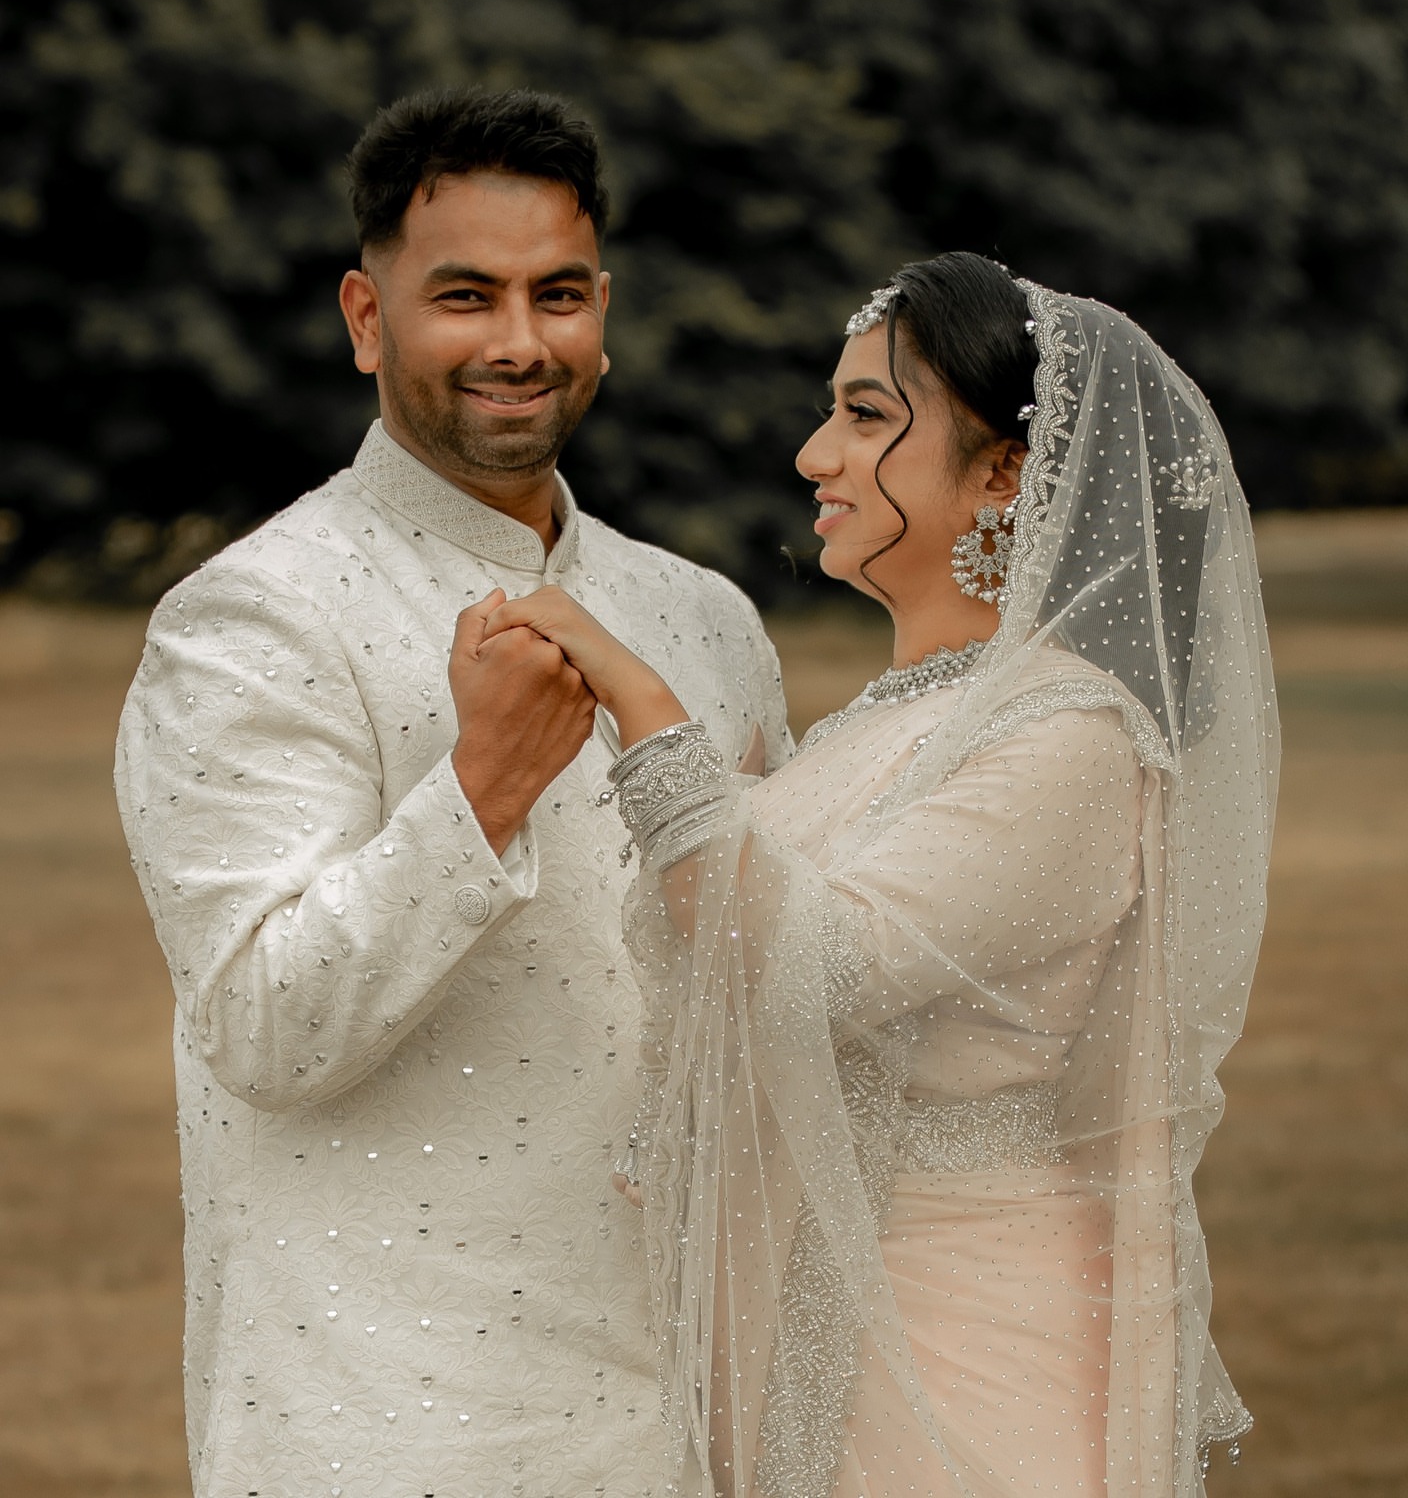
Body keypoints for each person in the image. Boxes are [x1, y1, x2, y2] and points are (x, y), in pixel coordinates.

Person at [483, 252, 1276, 1496]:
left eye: (865, 417)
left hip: (955, 1353)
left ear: (1005, 473)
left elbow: (814, 966)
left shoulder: (1073, 738)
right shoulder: (889, 722)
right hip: (817, 1325)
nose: (814, 455)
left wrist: (645, 713)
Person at [113, 86, 790, 1498]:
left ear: (604, 306)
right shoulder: (252, 620)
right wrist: (477, 792)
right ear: (367, 318)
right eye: (465, 297)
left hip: (690, 1406)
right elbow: (259, 1024)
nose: (520, 343)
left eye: (558, 295)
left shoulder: (708, 619)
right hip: (383, 1412)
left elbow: (767, 987)